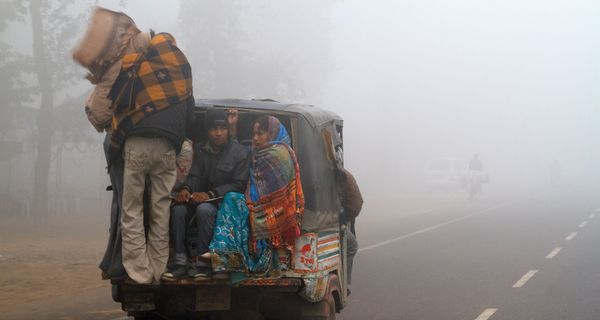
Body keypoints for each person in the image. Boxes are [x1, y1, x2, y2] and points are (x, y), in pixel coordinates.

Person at [109, 32, 194, 284]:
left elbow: (117, 101)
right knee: (161, 210)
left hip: (136, 144)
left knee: (132, 209)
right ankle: (157, 269)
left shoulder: (135, 64)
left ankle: (139, 272)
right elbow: (189, 116)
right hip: (167, 148)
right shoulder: (182, 68)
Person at [163, 109, 251, 280]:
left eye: (222, 128)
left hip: (224, 205)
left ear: (228, 129)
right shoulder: (200, 149)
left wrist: (210, 194)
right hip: (199, 200)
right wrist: (186, 189)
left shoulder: (240, 152)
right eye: (213, 129)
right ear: (207, 131)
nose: (218, 133)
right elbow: (194, 175)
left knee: (205, 209)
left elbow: (238, 184)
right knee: (178, 210)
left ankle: (203, 264)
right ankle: (180, 261)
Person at [246, 116, 304, 257]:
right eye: (253, 134)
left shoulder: (278, 154)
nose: (255, 138)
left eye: (260, 134)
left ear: (272, 133)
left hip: (276, 215)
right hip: (263, 211)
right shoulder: (255, 154)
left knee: (232, 201)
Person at [338, 168, 363, 292]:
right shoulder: (341, 172)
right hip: (339, 219)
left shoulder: (337, 174)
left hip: (343, 216)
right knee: (352, 246)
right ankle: (343, 283)